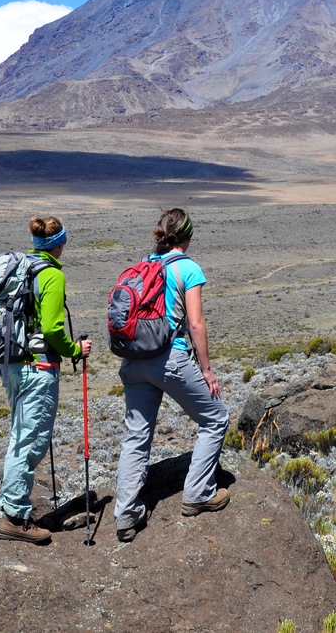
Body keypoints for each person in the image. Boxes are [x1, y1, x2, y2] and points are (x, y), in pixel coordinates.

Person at [114, 208, 230, 542]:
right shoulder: (187, 268)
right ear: (188, 236)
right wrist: (206, 370)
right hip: (170, 359)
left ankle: (125, 515)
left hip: (134, 361)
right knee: (216, 418)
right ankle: (198, 493)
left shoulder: (145, 264)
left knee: (136, 436)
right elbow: (195, 324)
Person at [0, 216, 93, 544]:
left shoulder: (22, 268)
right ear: (60, 243)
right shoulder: (51, 275)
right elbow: (52, 329)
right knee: (30, 442)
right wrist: (75, 349)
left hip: (12, 366)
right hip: (37, 369)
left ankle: (11, 511)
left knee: (20, 436)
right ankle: (14, 518)